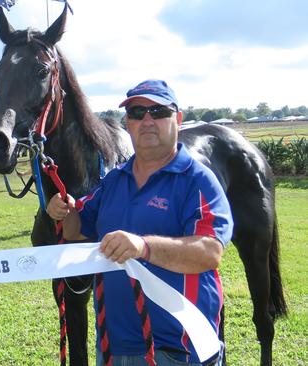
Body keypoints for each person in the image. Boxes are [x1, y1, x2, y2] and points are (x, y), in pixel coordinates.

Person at [46, 79, 233, 365]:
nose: (147, 120)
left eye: (158, 112)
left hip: (180, 350)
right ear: (128, 124)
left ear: (178, 119)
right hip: (114, 346)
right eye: (136, 113)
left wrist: (143, 246)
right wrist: (64, 208)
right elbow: (76, 229)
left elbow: (209, 252)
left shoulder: (197, 180)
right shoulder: (113, 181)